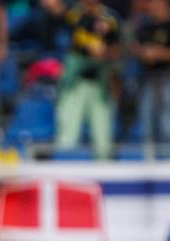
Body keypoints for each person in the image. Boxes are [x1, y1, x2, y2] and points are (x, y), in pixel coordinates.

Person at [47, 0, 121, 159]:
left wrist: (105, 53)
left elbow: (118, 50)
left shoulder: (110, 18)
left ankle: (105, 177)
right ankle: (63, 172)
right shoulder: (73, 14)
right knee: (67, 136)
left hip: (100, 84)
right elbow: (52, 6)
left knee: (102, 140)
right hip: (75, 83)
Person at [131, 0, 170, 143]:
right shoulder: (146, 28)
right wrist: (142, 53)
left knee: (169, 125)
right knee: (146, 124)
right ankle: (148, 160)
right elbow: (135, 48)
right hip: (148, 79)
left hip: (169, 78)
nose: (153, 7)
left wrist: (160, 53)